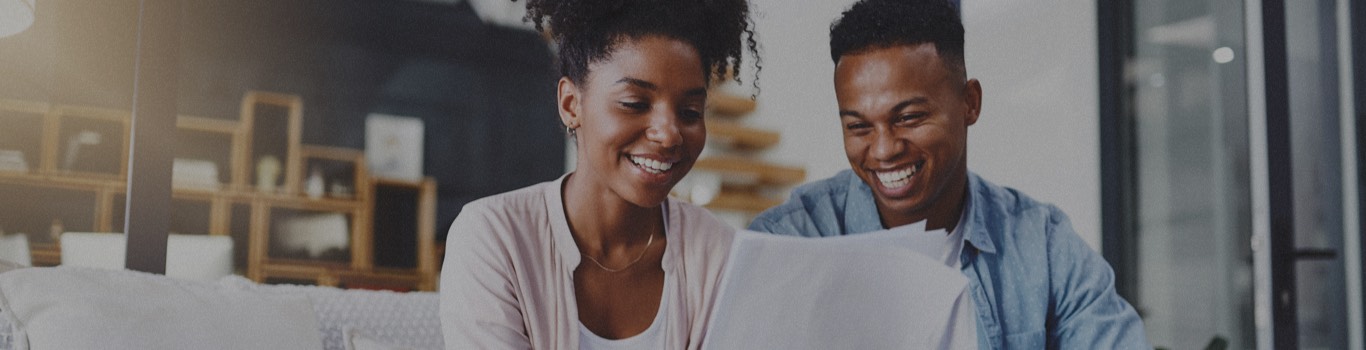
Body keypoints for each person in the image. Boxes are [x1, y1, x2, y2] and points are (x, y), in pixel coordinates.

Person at [746, 0, 1150, 348]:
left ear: (969, 103)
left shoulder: (1042, 247)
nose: (884, 148)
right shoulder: (789, 246)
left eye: (908, 118)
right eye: (859, 127)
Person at [439, 0, 759, 348]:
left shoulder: (719, 254)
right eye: (635, 104)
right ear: (571, 104)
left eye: (690, 111)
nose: (669, 134)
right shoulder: (494, 238)